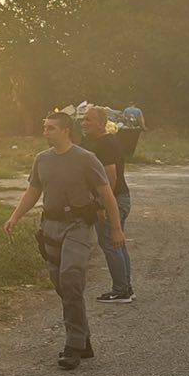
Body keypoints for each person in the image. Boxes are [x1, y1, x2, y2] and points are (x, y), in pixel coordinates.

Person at [4, 112, 126, 370]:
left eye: (50, 128)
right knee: (61, 285)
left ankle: (72, 346)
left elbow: (107, 193)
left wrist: (116, 229)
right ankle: (83, 339)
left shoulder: (86, 159)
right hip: (50, 227)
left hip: (78, 226)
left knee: (71, 277)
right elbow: (33, 191)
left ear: (66, 131)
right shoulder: (42, 160)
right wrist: (15, 216)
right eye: (44, 127)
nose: (45, 132)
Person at [80, 104, 133, 303]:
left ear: (102, 124)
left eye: (89, 120)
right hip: (119, 199)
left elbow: (110, 175)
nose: (84, 123)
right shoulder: (97, 141)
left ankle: (121, 290)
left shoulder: (106, 143)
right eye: (83, 119)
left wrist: (103, 204)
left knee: (110, 244)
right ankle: (125, 287)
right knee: (117, 244)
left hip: (115, 200)